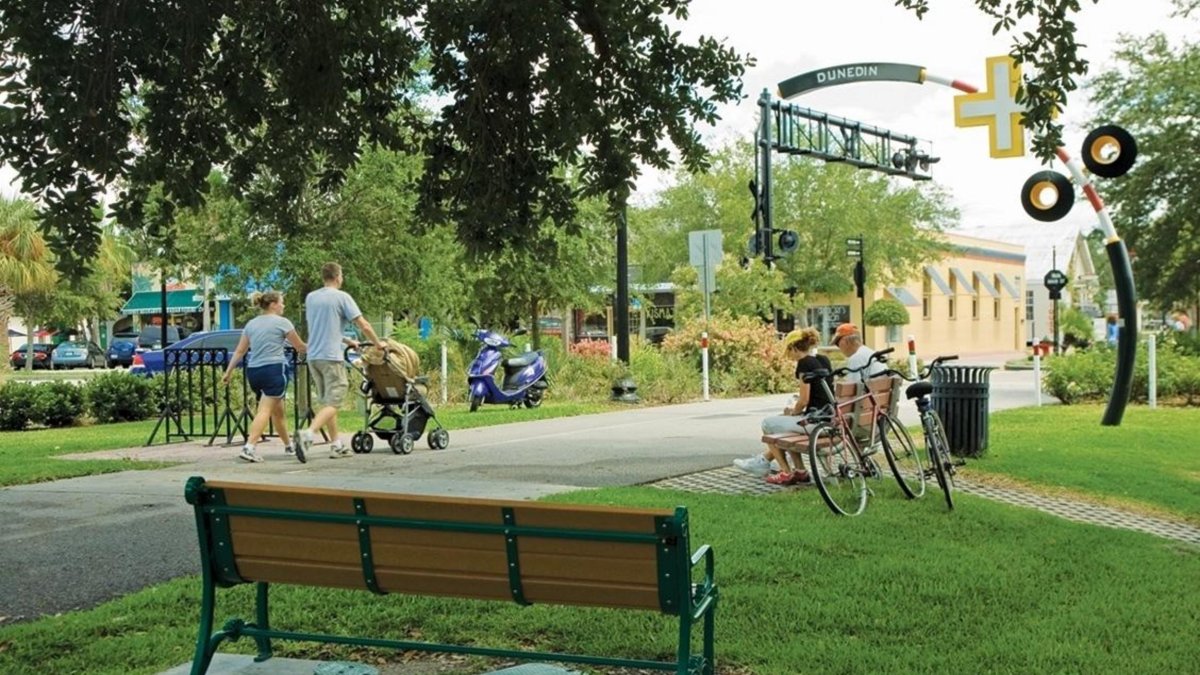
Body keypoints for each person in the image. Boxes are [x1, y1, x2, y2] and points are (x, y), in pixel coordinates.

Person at [300, 262, 381, 459]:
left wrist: (346, 340)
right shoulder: (342, 297)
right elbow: (364, 324)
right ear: (338, 277)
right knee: (335, 401)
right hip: (331, 357)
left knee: (328, 402)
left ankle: (336, 444)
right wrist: (378, 344)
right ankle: (308, 434)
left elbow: (324, 326)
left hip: (314, 356)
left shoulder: (311, 298)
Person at [732, 327, 831, 485]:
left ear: (794, 347)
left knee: (768, 424)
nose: (789, 356)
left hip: (815, 422)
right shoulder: (823, 359)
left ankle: (786, 471)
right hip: (829, 418)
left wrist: (793, 412)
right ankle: (798, 470)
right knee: (784, 426)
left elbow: (804, 400)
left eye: (788, 351)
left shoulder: (804, 363)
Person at [222, 291, 307, 463]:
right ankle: (249, 447)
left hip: (254, 371)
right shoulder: (283, 322)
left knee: (278, 411)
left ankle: (288, 445)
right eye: (282, 302)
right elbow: (300, 346)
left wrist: (228, 371)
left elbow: (240, 350)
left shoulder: (251, 324)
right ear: (274, 304)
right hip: (274, 370)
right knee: (265, 410)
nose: (283, 306)